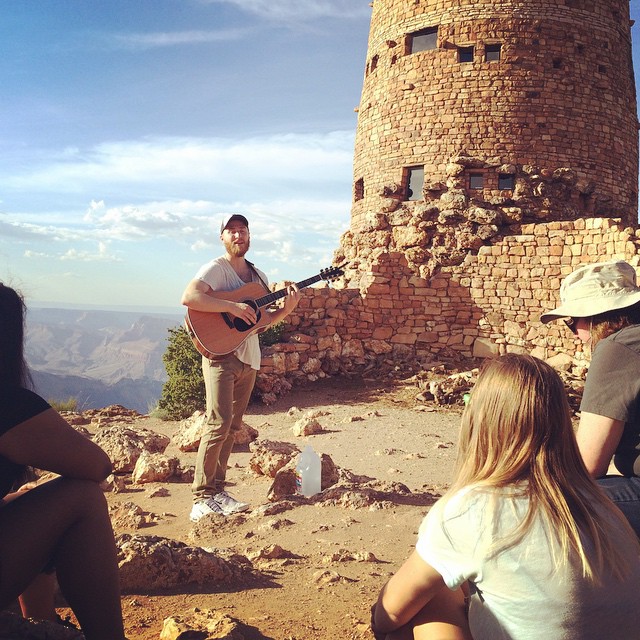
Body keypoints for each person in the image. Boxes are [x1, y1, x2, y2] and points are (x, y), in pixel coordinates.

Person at [371, 354, 640, 640]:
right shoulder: (604, 506)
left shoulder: (469, 510)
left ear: (479, 420)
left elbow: (389, 615)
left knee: (428, 599)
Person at [0, 283, 126, 640]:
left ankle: (41, 620)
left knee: (27, 499)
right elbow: (97, 465)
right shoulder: (8, 406)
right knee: (81, 499)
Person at [181, 214, 300, 522]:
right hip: (220, 356)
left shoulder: (258, 276)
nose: (237, 235)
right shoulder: (215, 269)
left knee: (233, 428)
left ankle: (218, 492)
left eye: (242, 230)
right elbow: (190, 297)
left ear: (249, 236)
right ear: (222, 237)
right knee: (217, 423)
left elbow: (260, 323)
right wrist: (232, 306)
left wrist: (285, 310)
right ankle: (201, 498)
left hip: (249, 357)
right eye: (231, 231)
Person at [541, 259, 640, 536]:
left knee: (546, 505)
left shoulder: (619, 346)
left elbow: (588, 464)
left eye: (573, 322)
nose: (575, 335)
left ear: (597, 316)